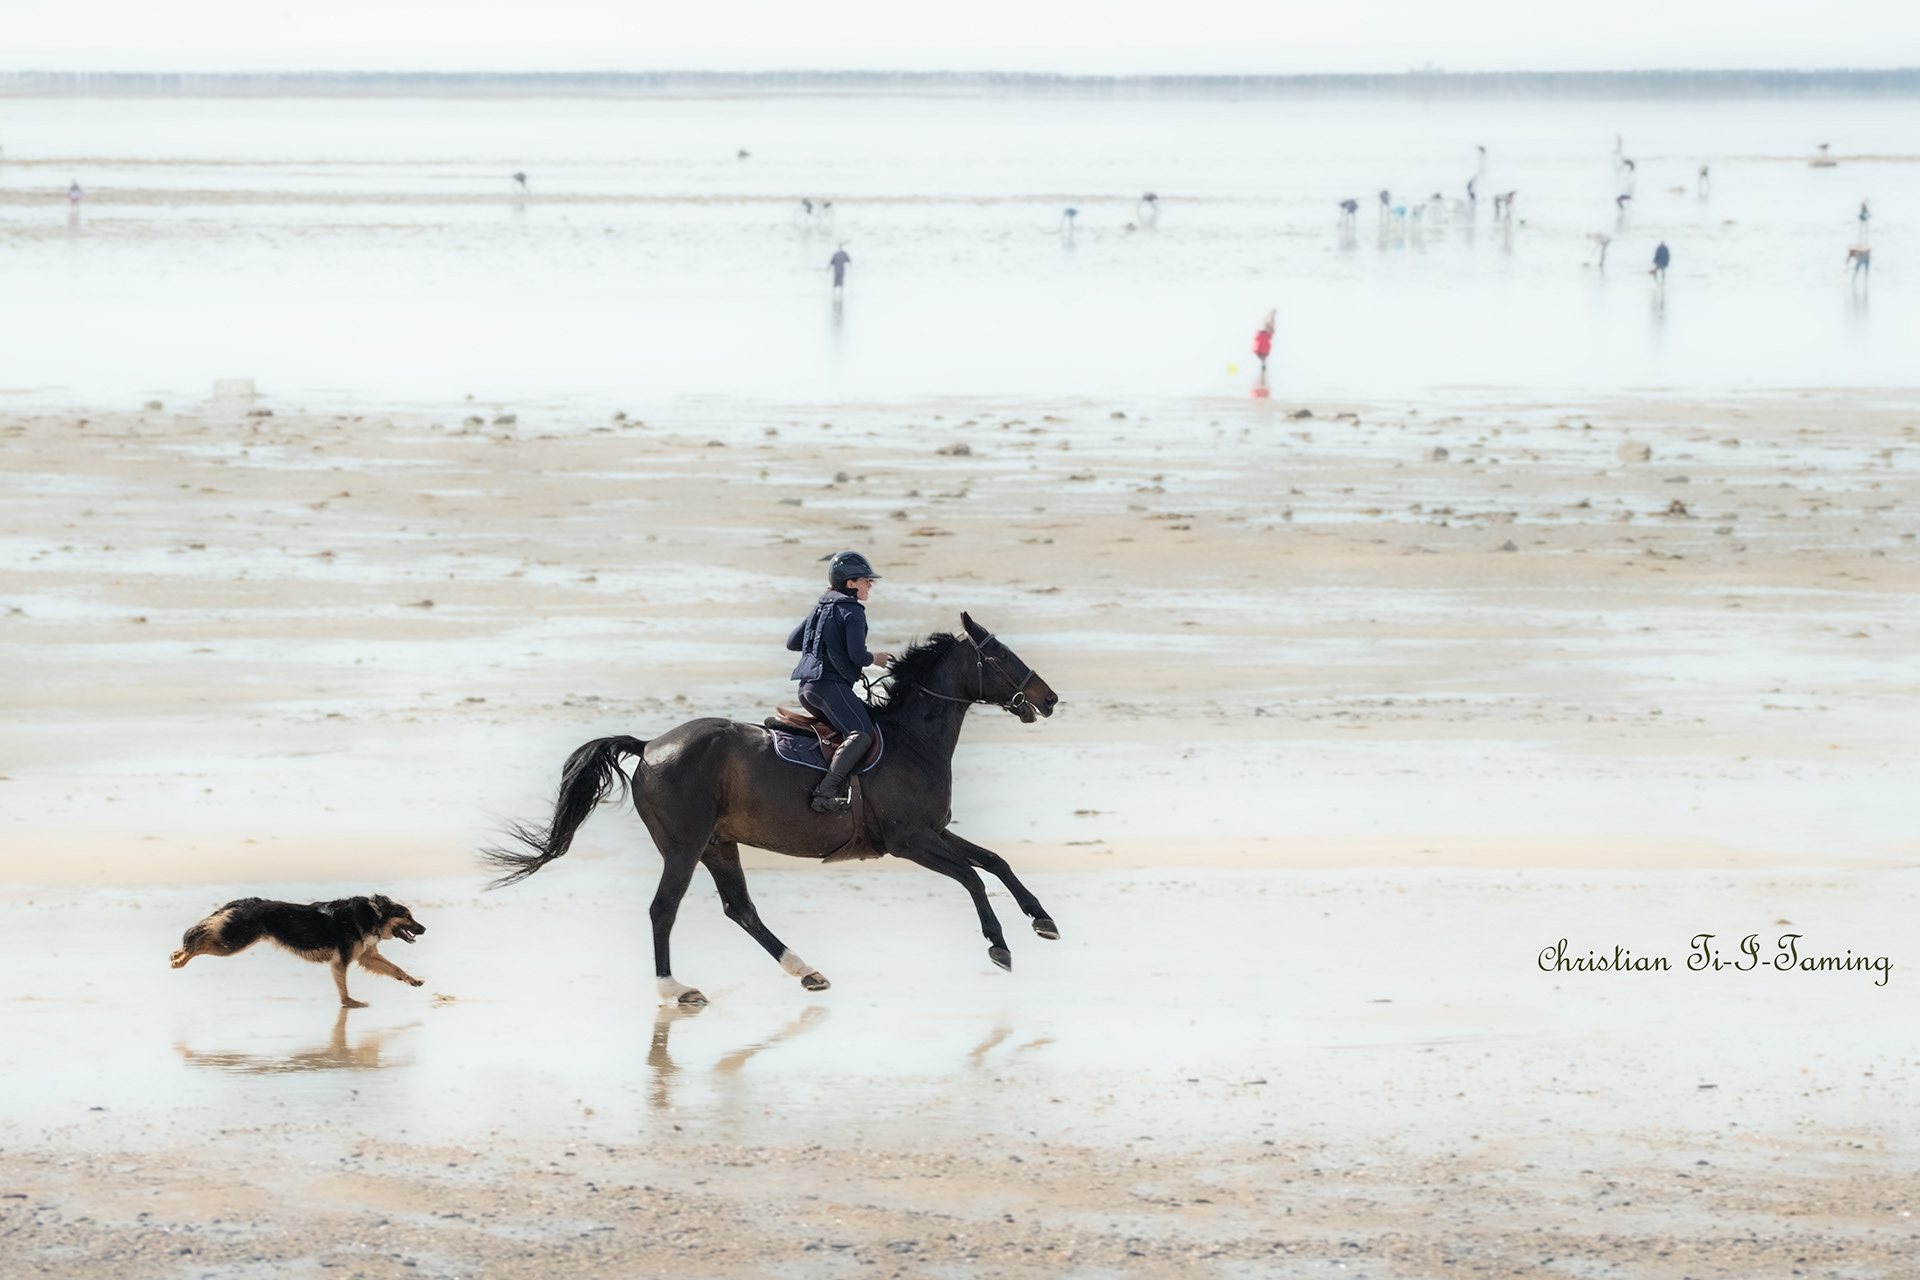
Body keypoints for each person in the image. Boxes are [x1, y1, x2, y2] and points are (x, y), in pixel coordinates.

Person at [785, 551, 893, 812]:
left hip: (807, 689)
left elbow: (793, 643)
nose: (870, 585)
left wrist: (823, 617)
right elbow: (857, 654)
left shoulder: (823, 607)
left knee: (845, 729)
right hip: (828, 687)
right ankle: (826, 792)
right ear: (850, 583)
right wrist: (874, 658)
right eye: (866, 580)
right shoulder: (852, 611)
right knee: (862, 733)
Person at [1252, 309, 1275, 375]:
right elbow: (1269, 323)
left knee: (1263, 352)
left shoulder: (1268, 318)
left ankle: (1263, 364)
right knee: (1262, 351)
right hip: (1263, 335)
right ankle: (1263, 364)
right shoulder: (1269, 318)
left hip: (1263, 335)